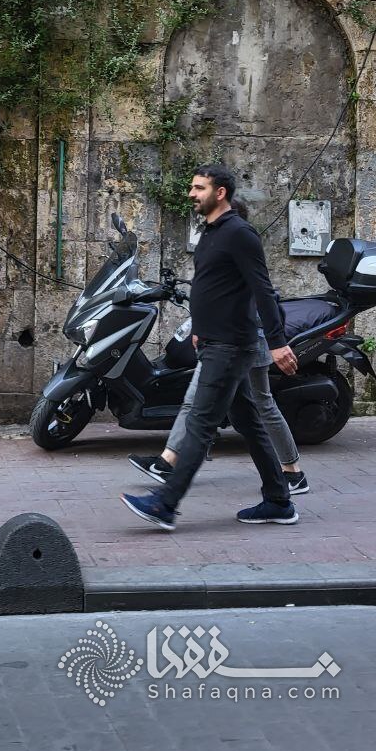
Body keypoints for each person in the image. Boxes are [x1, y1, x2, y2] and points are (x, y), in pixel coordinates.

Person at [121, 164, 300, 530]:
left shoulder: (240, 234)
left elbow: (262, 289)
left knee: (201, 421)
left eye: (199, 188)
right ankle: (280, 500)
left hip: (232, 345)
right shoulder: (211, 232)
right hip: (214, 340)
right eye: (192, 187)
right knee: (248, 421)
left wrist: (279, 343)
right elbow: (212, 286)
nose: (192, 193)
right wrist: (200, 329)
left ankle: (165, 504)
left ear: (221, 193)